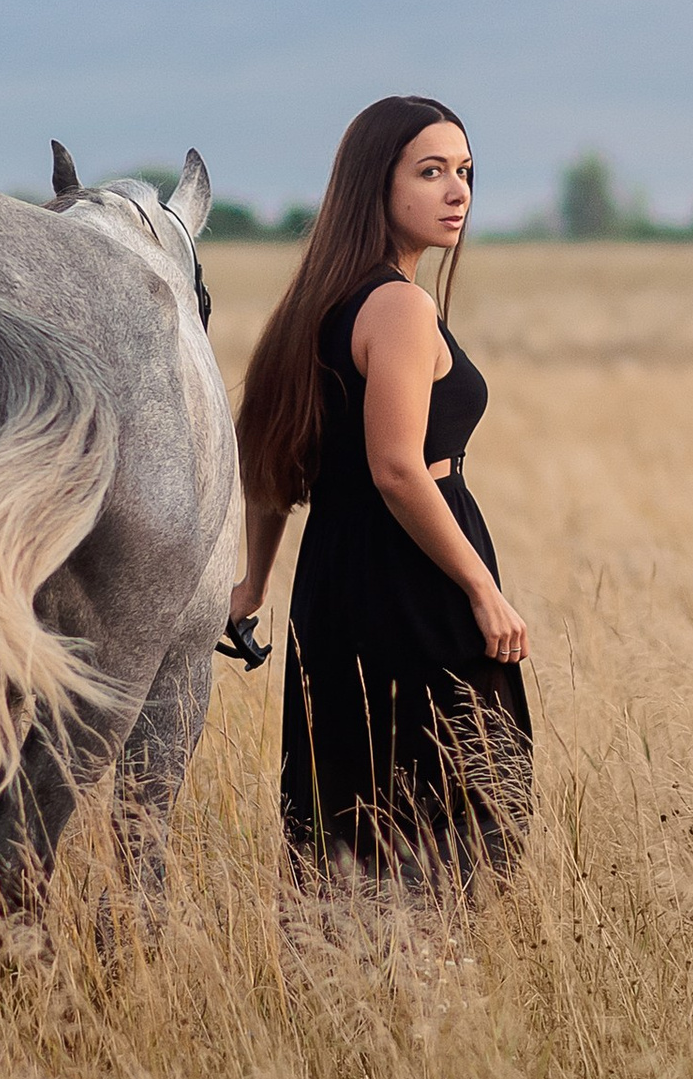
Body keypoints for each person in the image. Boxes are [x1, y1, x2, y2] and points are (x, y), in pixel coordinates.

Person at [228, 95, 533, 879]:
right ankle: (427, 994)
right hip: (408, 583)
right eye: (431, 172)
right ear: (376, 183)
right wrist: (482, 589)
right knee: (449, 817)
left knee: (348, 820)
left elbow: (272, 461)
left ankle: (350, 989)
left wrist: (253, 584)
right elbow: (397, 469)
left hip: (333, 581)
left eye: (464, 172)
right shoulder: (398, 305)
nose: (458, 191)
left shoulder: (314, 301)